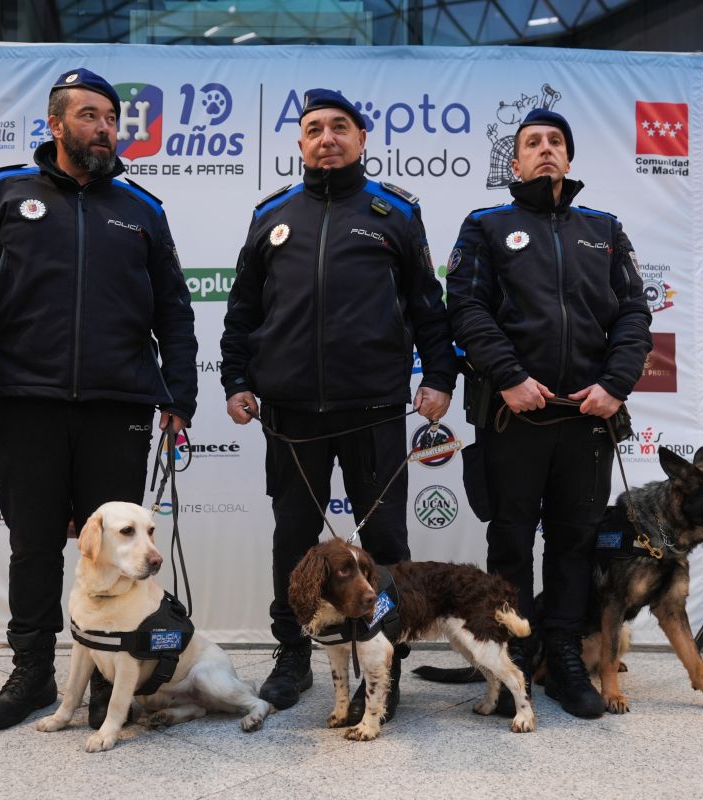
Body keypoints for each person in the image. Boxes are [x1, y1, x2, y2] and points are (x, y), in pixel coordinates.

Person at [0, 67, 197, 731]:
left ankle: (112, 679)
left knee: (118, 552)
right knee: (32, 545)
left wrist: (180, 394)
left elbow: (174, 308)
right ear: (55, 124)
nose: (104, 128)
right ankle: (31, 672)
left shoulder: (142, 209)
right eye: (88, 116)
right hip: (25, 402)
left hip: (118, 405)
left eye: (110, 118)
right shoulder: (2, 191)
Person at [221, 89, 457, 715]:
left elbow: (428, 308)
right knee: (295, 539)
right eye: (314, 129)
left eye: (339, 127)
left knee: (385, 541)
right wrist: (235, 380)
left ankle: (386, 662)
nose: (326, 138)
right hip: (290, 412)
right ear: (300, 143)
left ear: (361, 138)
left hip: (374, 406)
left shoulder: (395, 212)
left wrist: (440, 377)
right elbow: (243, 310)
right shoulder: (271, 214)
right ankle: (293, 654)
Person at [445, 108, 652, 719]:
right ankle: (511, 658)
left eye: (555, 141)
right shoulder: (486, 225)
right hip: (514, 417)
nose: (544, 149)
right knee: (509, 541)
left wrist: (615, 385)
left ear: (568, 157)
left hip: (587, 419)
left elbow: (634, 315)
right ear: (515, 162)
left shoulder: (604, 229)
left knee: (575, 543)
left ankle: (562, 657)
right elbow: (467, 309)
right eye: (532, 142)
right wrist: (509, 376)